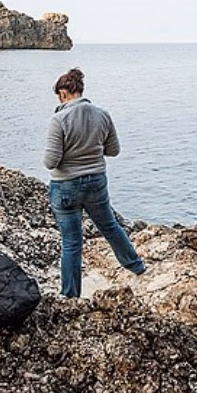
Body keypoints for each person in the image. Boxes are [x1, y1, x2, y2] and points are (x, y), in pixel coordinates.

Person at [43, 68, 145, 298]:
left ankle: (70, 295)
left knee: (71, 242)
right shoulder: (102, 114)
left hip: (66, 186)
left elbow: (51, 162)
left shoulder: (58, 119)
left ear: (63, 93)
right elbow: (114, 151)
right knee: (109, 226)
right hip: (96, 181)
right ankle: (136, 266)